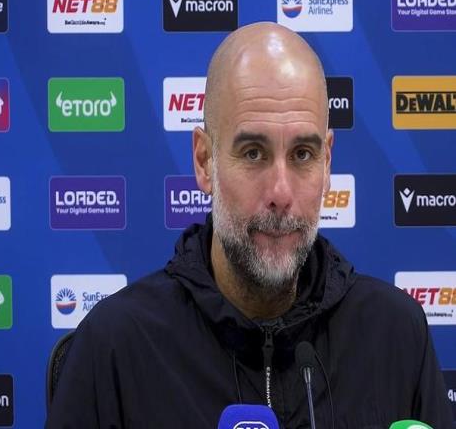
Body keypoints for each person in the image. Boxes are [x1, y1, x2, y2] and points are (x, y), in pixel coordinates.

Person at [46, 22, 452, 428]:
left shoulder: (396, 333)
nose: (280, 192)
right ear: (204, 161)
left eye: (303, 154)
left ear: (327, 163)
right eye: (254, 153)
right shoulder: (116, 345)